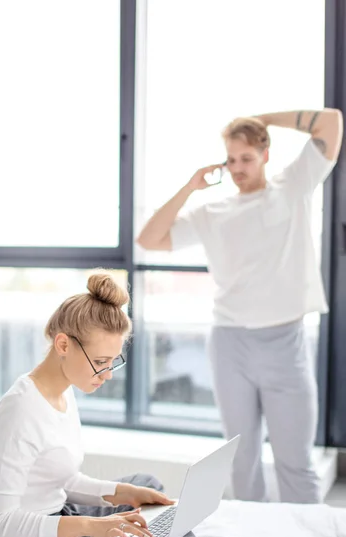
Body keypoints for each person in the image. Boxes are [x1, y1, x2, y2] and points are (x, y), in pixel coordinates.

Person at [137, 109, 343, 504]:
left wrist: (262, 118)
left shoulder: (293, 186)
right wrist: (190, 187)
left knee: (294, 462)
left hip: (286, 342)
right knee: (241, 460)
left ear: (266, 154)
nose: (237, 168)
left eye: (246, 158)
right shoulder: (212, 213)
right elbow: (149, 238)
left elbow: (330, 122)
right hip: (230, 343)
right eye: (231, 160)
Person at [0, 271, 201, 537]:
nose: (107, 375)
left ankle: (118, 520)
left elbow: (60, 480)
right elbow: (0, 523)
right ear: (63, 344)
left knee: (147, 487)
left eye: (113, 362)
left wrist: (126, 492)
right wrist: (90, 527)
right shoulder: (19, 412)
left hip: (56, 520)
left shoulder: (64, 391)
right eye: (100, 362)